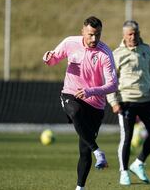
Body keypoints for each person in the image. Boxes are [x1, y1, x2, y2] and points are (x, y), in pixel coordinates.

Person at [43, 16, 117, 190]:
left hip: (95, 104)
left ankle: (80, 187)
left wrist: (90, 91)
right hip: (71, 94)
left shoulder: (105, 53)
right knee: (75, 112)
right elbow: (54, 59)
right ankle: (98, 151)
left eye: (97, 35)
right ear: (82, 31)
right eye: (91, 34)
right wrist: (48, 58)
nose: (94, 39)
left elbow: (113, 85)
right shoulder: (70, 42)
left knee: (84, 151)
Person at [107, 20, 150, 186]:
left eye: (135, 33)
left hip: (146, 100)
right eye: (130, 34)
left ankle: (138, 163)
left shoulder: (146, 49)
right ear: (124, 35)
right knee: (127, 138)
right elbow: (110, 80)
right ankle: (124, 172)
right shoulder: (117, 54)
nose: (133, 36)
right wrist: (113, 102)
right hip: (126, 102)